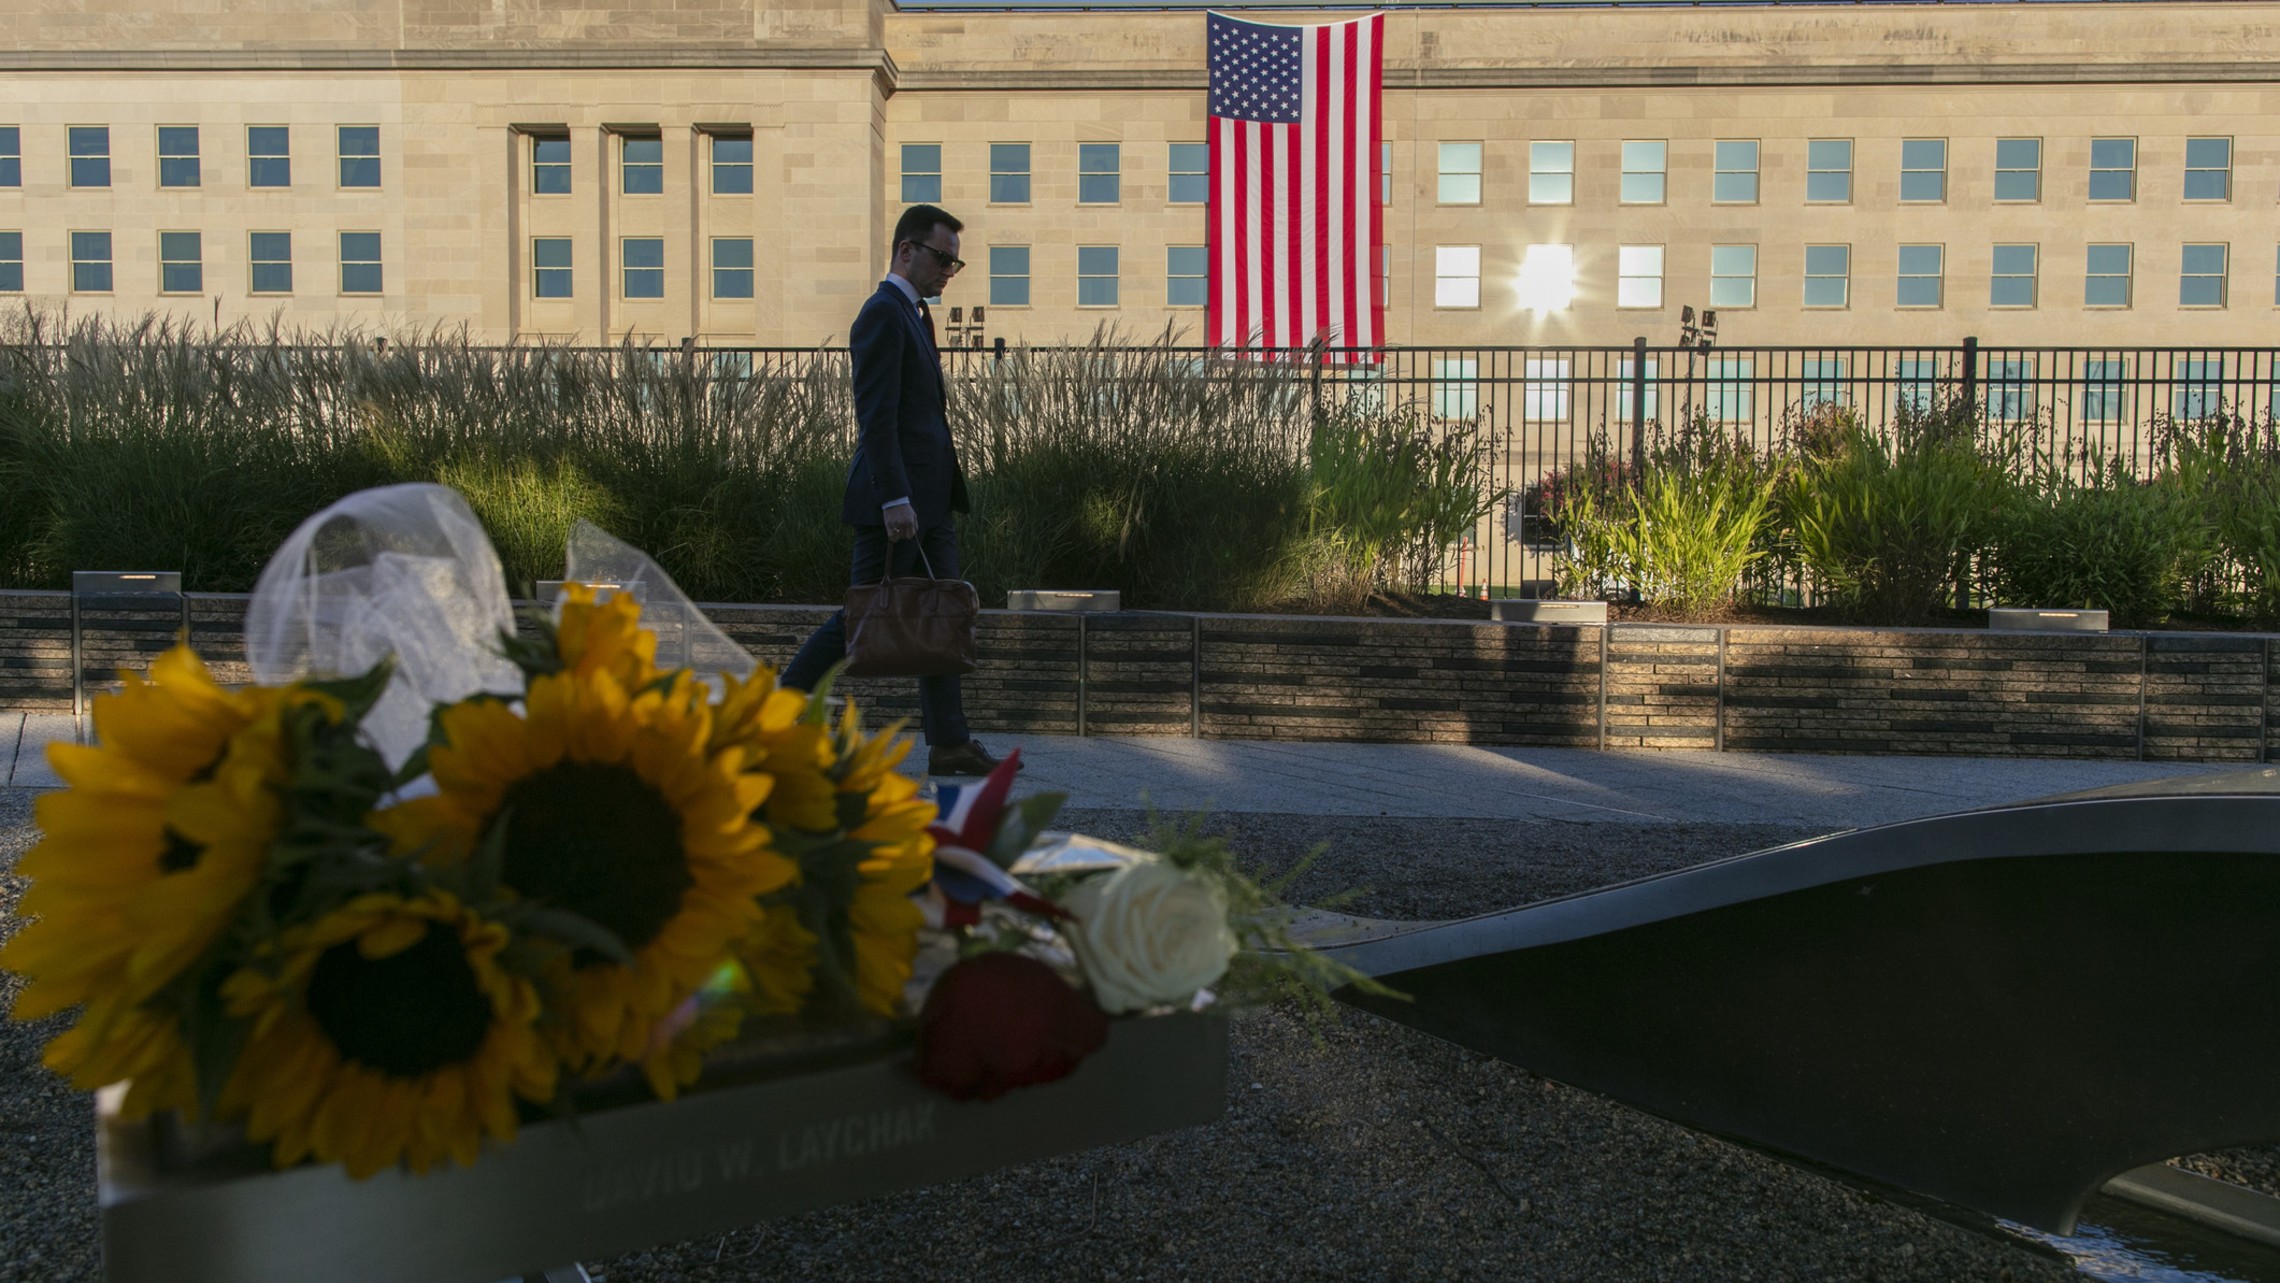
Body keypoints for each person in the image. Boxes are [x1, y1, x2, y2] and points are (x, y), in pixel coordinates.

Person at [780, 204, 1014, 778]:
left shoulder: (913, 314)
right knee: (861, 616)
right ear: (906, 250)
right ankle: (778, 713)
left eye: (955, 264)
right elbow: (876, 417)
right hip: (900, 502)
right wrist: (894, 499)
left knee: (941, 619)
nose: (948, 272)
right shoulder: (883, 313)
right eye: (942, 258)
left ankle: (950, 743)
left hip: (931, 501)